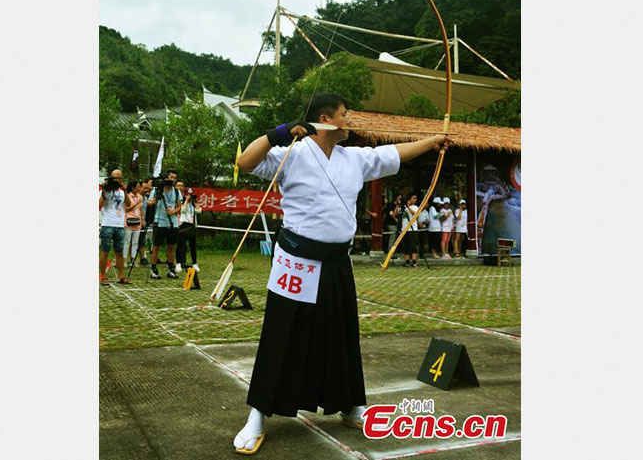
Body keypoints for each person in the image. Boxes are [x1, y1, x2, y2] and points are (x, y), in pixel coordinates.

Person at [231, 92, 448, 454]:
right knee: (282, 335)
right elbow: (246, 161)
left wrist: (432, 142)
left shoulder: (355, 159)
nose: (351, 120)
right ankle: (257, 415)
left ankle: (349, 405)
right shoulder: (293, 153)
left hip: (336, 262)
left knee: (341, 333)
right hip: (296, 261)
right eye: (345, 115)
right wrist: (278, 133)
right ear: (325, 119)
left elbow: (393, 153)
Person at [99, 169, 132, 285]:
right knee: (105, 251)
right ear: (111, 178)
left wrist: (126, 191)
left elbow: (128, 204)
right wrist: (104, 190)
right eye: (115, 178)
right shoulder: (106, 191)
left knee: (119, 252)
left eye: (119, 178)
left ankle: (121, 276)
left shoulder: (122, 192)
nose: (117, 180)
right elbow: (99, 205)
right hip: (107, 224)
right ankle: (103, 276)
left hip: (119, 225)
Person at [148, 170, 182, 279]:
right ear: (165, 178)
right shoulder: (157, 189)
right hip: (159, 221)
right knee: (156, 246)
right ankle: (153, 268)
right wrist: (155, 200)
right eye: (170, 177)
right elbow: (149, 202)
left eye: (174, 178)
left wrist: (174, 211)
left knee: (171, 246)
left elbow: (180, 206)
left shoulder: (177, 191)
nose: (172, 179)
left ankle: (170, 268)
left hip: (172, 222)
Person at [175, 181, 201, 273]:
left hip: (191, 225)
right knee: (180, 245)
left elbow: (198, 211)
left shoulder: (192, 204)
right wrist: (186, 200)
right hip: (182, 225)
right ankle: (178, 263)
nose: (189, 197)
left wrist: (195, 201)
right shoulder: (181, 202)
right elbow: (183, 210)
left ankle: (194, 263)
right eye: (187, 195)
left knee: (192, 246)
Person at [121, 180, 143, 277]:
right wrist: (135, 203)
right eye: (137, 186)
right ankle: (124, 260)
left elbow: (141, 209)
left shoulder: (140, 197)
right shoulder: (128, 196)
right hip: (129, 220)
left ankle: (133, 259)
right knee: (127, 241)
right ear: (133, 187)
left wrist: (142, 219)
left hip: (138, 221)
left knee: (135, 242)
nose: (139, 188)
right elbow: (127, 208)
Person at [399, 193, 420, 267]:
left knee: (413, 245)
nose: (415, 200)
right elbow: (396, 214)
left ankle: (414, 261)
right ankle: (407, 261)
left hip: (412, 229)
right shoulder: (403, 207)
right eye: (413, 198)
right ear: (409, 199)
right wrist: (399, 205)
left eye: (415, 198)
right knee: (406, 246)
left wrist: (408, 207)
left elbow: (415, 214)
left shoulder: (415, 207)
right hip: (404, 229)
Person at [137, 178, 153, 265]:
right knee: (134, 241)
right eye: (143, 188)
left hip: (143, 222)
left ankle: (143, 257)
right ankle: (132, 258)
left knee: (142, 240)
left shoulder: (146, 199)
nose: (145, 190)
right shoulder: (135, 198)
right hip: (134, 221)